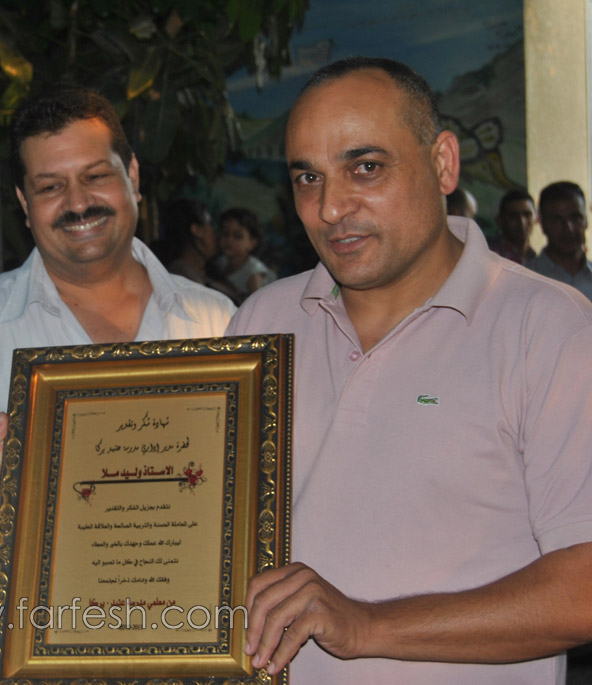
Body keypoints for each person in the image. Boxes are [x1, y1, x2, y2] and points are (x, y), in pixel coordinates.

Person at [227, 57, 592, 683]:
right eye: (308, 178)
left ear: (443, 163)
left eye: (365, 167)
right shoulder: (262, 320)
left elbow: (583, 586)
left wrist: (367, 625)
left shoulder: (548, 328)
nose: (331, 207)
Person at [0, 86, 234, 496]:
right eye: (51, 187)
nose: (78, 203)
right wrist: (15, 505)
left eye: (95, 177)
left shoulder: (221, 323)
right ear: (24, 203)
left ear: (133, 177)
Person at [529, 181, 592, 300]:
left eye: (575, 217)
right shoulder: (527, 280)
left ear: (586, 221)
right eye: (557, 219)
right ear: (542, 224)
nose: (568, 229)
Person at [215, 206, 276, 301]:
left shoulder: (254, 273)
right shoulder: (221, 263)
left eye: (237, 236)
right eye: (225, 234)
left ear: (252, 243)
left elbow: (257, 304)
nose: (229, 240)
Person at [489, 188, 537, 264]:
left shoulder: (535, 257)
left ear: (536, 218)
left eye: (527, 215)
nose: (522, 222)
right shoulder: (490, 254)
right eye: (513, 216)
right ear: (500, 220)